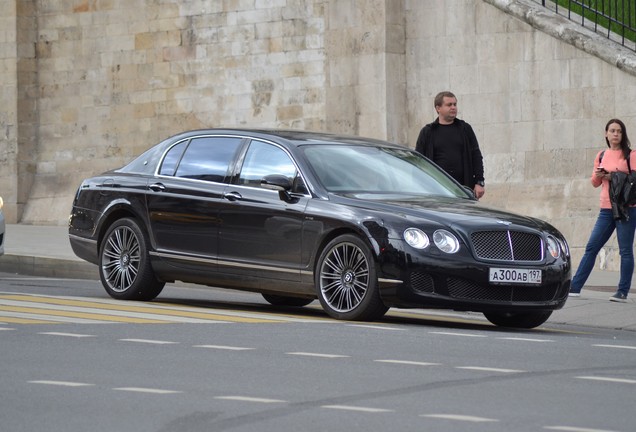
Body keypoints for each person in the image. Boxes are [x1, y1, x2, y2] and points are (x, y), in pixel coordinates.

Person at [569, 118, 636, 302]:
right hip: (606, 208)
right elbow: (594, 183)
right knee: (592, 247)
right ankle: (575, 287)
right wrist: (599, 176)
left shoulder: (630, 155)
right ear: (606, 133)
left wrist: (612, 175)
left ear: (623, 135)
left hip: (626, 209)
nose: (615, 134)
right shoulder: (601, 155)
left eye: (619, 131)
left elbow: (634, 180)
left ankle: (622, 291)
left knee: (625, 251)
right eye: (612, 130)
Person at [415, 91, 485, 199]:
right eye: (449, 105)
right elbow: (418, 162)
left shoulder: (465, 129)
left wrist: (480, 182)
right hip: (436, 191)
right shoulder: (427, 132)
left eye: (455, 104)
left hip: (464, 189)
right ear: (438, 108)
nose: (453, 107)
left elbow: (476, 156)